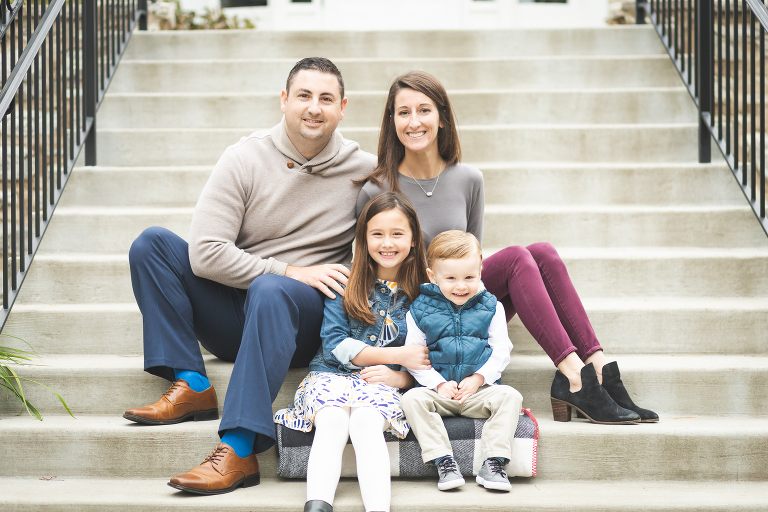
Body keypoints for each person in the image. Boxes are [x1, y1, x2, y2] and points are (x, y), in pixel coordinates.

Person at [124, 57, 378, 495]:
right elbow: (205, 253)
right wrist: (289, 269)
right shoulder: (244, 158)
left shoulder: (364, 170)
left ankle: (239, 449)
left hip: (304, 320)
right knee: (153, 244)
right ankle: (193, 382)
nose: (313, 107)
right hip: (238, 311)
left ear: (343, 108)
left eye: (326, 98)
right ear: (283, 100)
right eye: (303, 96)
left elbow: (401, 232)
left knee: (272, 289)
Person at [357, 70, 658, 425]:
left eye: (424, 110)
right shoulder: (377, 190)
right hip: (419, 313)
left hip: (462, 298)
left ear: (442, 117)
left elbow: (473, 258)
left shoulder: (469, 179)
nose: (414, 121)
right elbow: (373, 272)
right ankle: (574, 378)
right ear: (391, 121)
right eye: (403, 112)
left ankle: (598, 367)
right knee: (517, 257)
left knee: (542, 253)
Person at [275, 191, 430, 512]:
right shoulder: (346, 281)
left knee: (364, 422)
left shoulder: (423, 295)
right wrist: (397, 356)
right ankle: (317, 505)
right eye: (377, 234)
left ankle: (377, 509)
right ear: (363, 238)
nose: (387, 243)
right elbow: (335, 344)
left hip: (382, 383)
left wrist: (402, 379)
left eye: (397, 234)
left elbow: (429, 356)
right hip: (329, 375)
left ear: (414, 239)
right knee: (331, 420)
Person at [401, 230, 523, 493]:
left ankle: (493, 462)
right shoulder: (419, 310)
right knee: (411, 399)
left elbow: (502, 350)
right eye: (451, 278)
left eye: (469, 277)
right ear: (432, 276)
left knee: (511, 396)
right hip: (439, 392)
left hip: (478, 391)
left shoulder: (492, 307)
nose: (461, 286)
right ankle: (443, 460)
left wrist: (479, 378)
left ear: (480, 270)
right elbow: (414, 356)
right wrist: (437, 384)